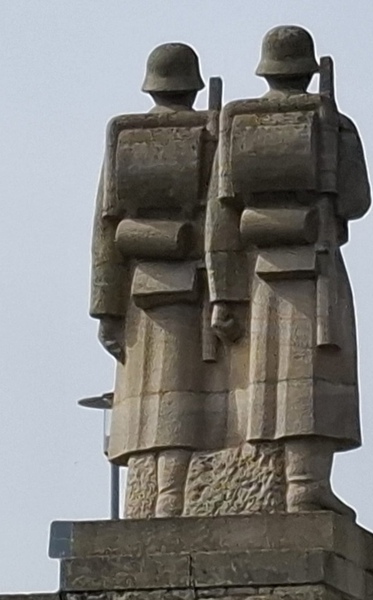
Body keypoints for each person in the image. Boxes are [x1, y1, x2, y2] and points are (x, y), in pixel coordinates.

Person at [205, 25, 371, 517]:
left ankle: (283, 480)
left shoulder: (237, 121)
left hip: (258, 275)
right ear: (308, 70)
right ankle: (304, 483)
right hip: (316, 268)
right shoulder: (332, 123)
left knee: (269, 377)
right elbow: (357, 200)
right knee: (314, 374)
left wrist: (222, 294)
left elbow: (220, 217)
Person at [90, 43, 224, 517]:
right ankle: (166, 493)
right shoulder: (209, 134)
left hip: (140, 291)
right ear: (193, 87)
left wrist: (105, 310)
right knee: (179, 393)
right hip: (187, 287)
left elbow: (105, 232)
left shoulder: (125, 135)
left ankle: (160, 491)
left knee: (158, 395)